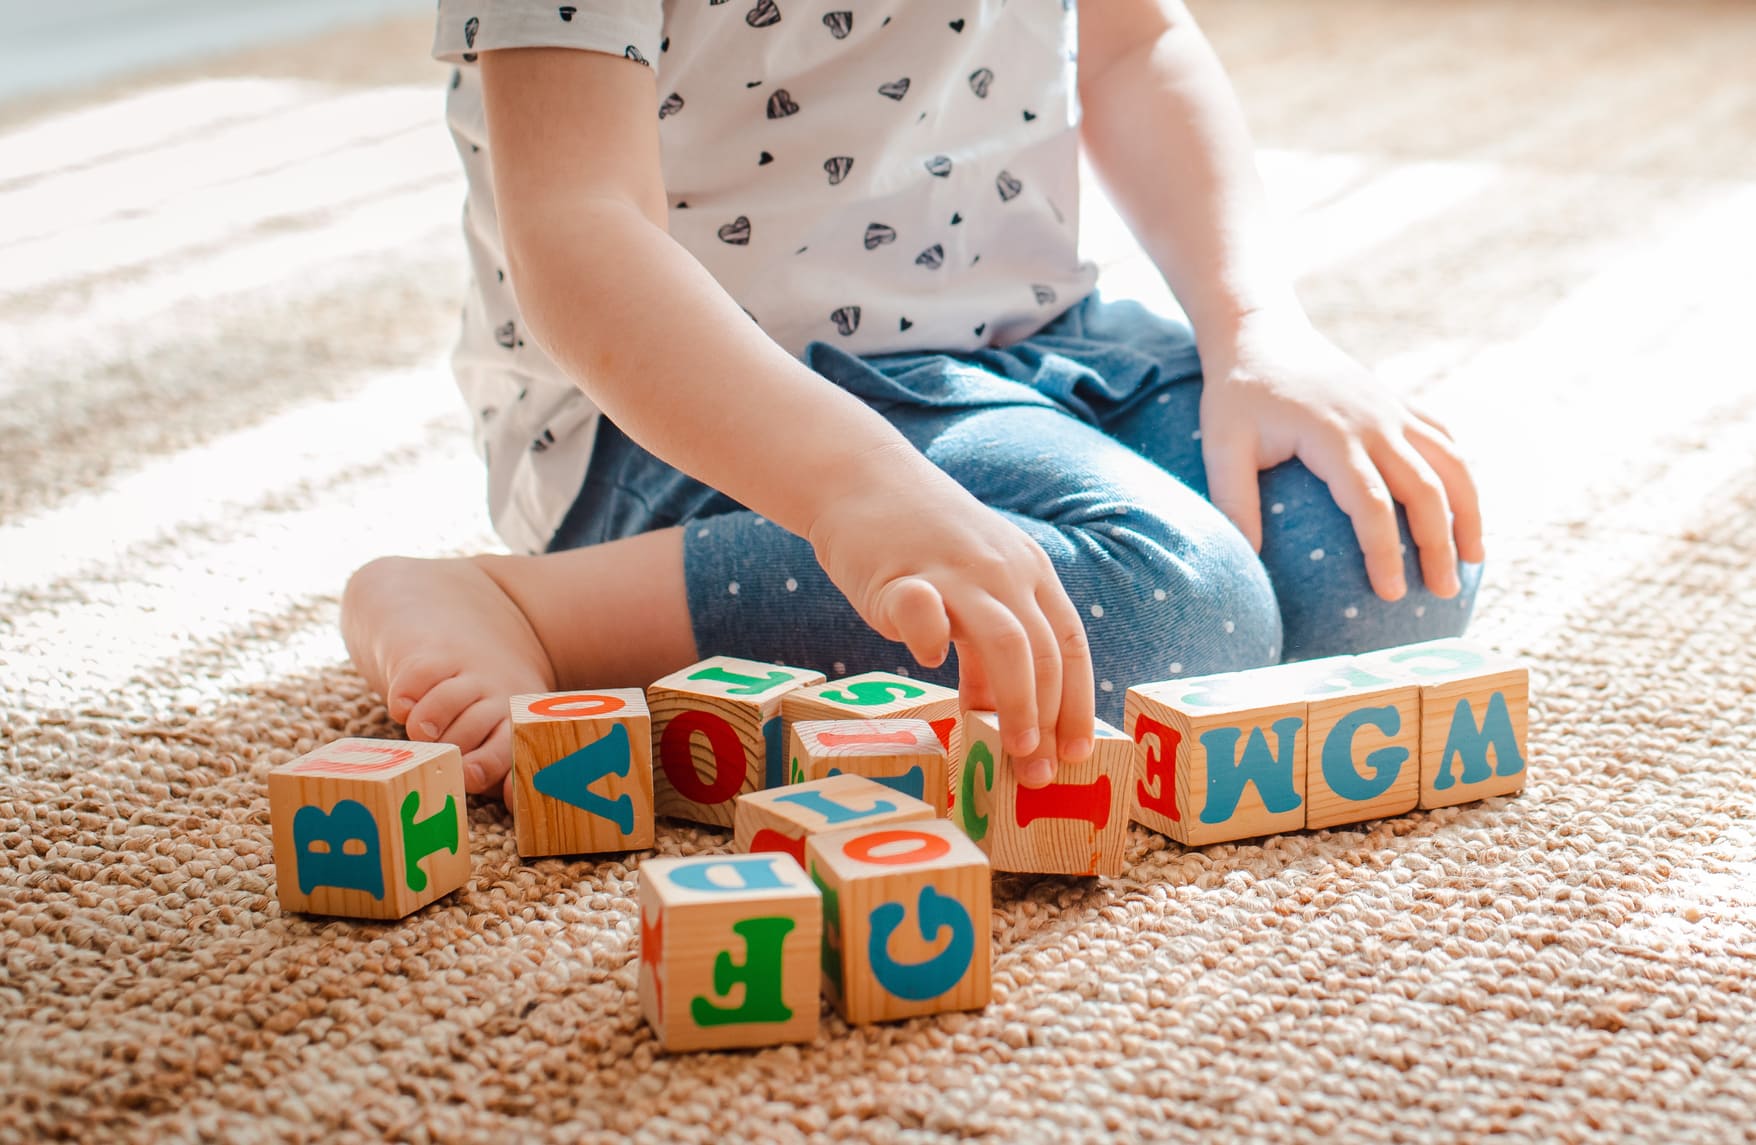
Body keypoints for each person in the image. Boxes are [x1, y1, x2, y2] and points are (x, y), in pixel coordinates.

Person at [341, 0, 1485, 800]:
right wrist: (853, 491)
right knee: (1183, 615)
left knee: (1373, 557)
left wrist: (1256, 330)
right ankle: (536, 606)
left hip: (1024, 352)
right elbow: (579, 232)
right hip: (716, 414)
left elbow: (1137, 49)